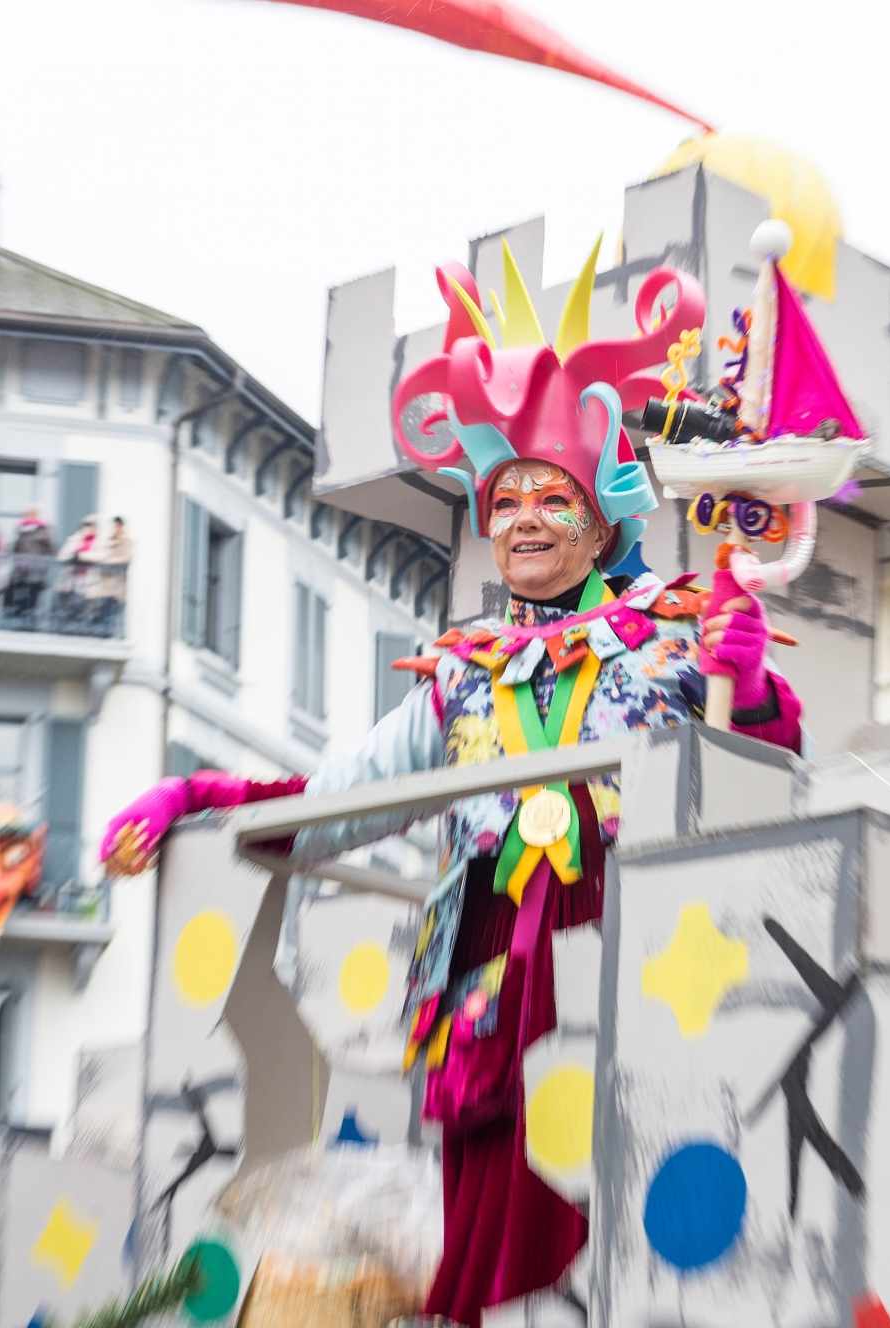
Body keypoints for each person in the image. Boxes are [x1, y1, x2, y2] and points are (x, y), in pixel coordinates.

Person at [97, 261, 800, 1326]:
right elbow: (340, 799)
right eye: (502, 498)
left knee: (638, 1207)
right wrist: (203, 796)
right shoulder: (462, 672)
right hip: (488, 980)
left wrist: (745, 682)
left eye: (549, 497)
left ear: (602, 518)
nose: (520, 519)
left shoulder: (672, 637)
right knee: (496, 1219)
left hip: (637, 954)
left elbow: (764, 779)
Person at [5, 508, 54, 626]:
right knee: (15, 599)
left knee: (31, 601)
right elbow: (15, 550)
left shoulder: (43, 531)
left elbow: (50, 551)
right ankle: (15, 623)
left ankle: (28, 625)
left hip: (35, 573)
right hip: (20, 573)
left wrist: (41, 568)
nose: (27, 517)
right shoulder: (21, 531)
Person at [57, 515, 101, 632]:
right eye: (86, 526)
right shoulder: (74, 540)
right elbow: (62, 556)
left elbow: (100, 557)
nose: (88, 528)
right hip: (72, 578)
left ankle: (80, 627)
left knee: (82, 604)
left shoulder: (99, 542)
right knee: (70, 603)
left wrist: (83, 556)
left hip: (88, 579)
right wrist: (74, 556)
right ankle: (69, 626)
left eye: (90, 526)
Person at [90, 516, 133, 636]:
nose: (115, 529)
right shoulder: (107, 541)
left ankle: (106, 632)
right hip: (104, 581)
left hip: (116, 581)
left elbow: (127, 557)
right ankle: (99, 630)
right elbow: (100, 555)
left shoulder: (127, 542)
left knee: (111, 605)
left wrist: (111, 560)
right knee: (101, 605)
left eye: (117, 526)